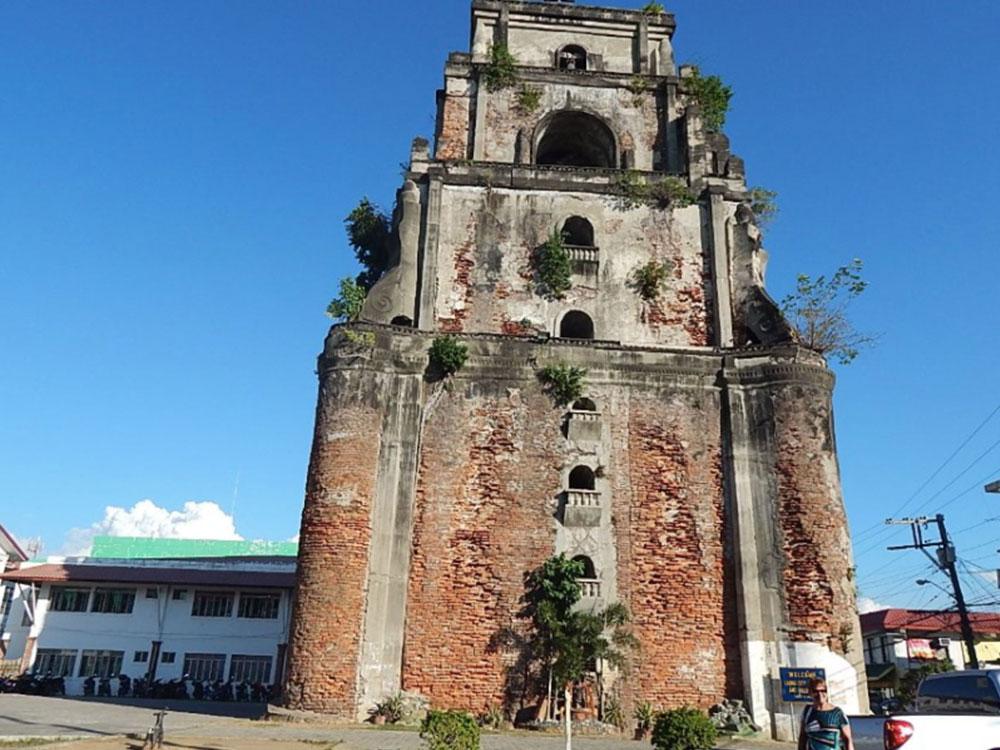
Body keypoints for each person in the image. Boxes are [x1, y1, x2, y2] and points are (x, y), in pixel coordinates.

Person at [798, 677, 854, 750]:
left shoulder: (837, 713)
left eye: (823, 691)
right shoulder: (808, 711)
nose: (820, 694)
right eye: (816, 691)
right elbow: (803, 737)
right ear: (810, 693)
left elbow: (847, 739)